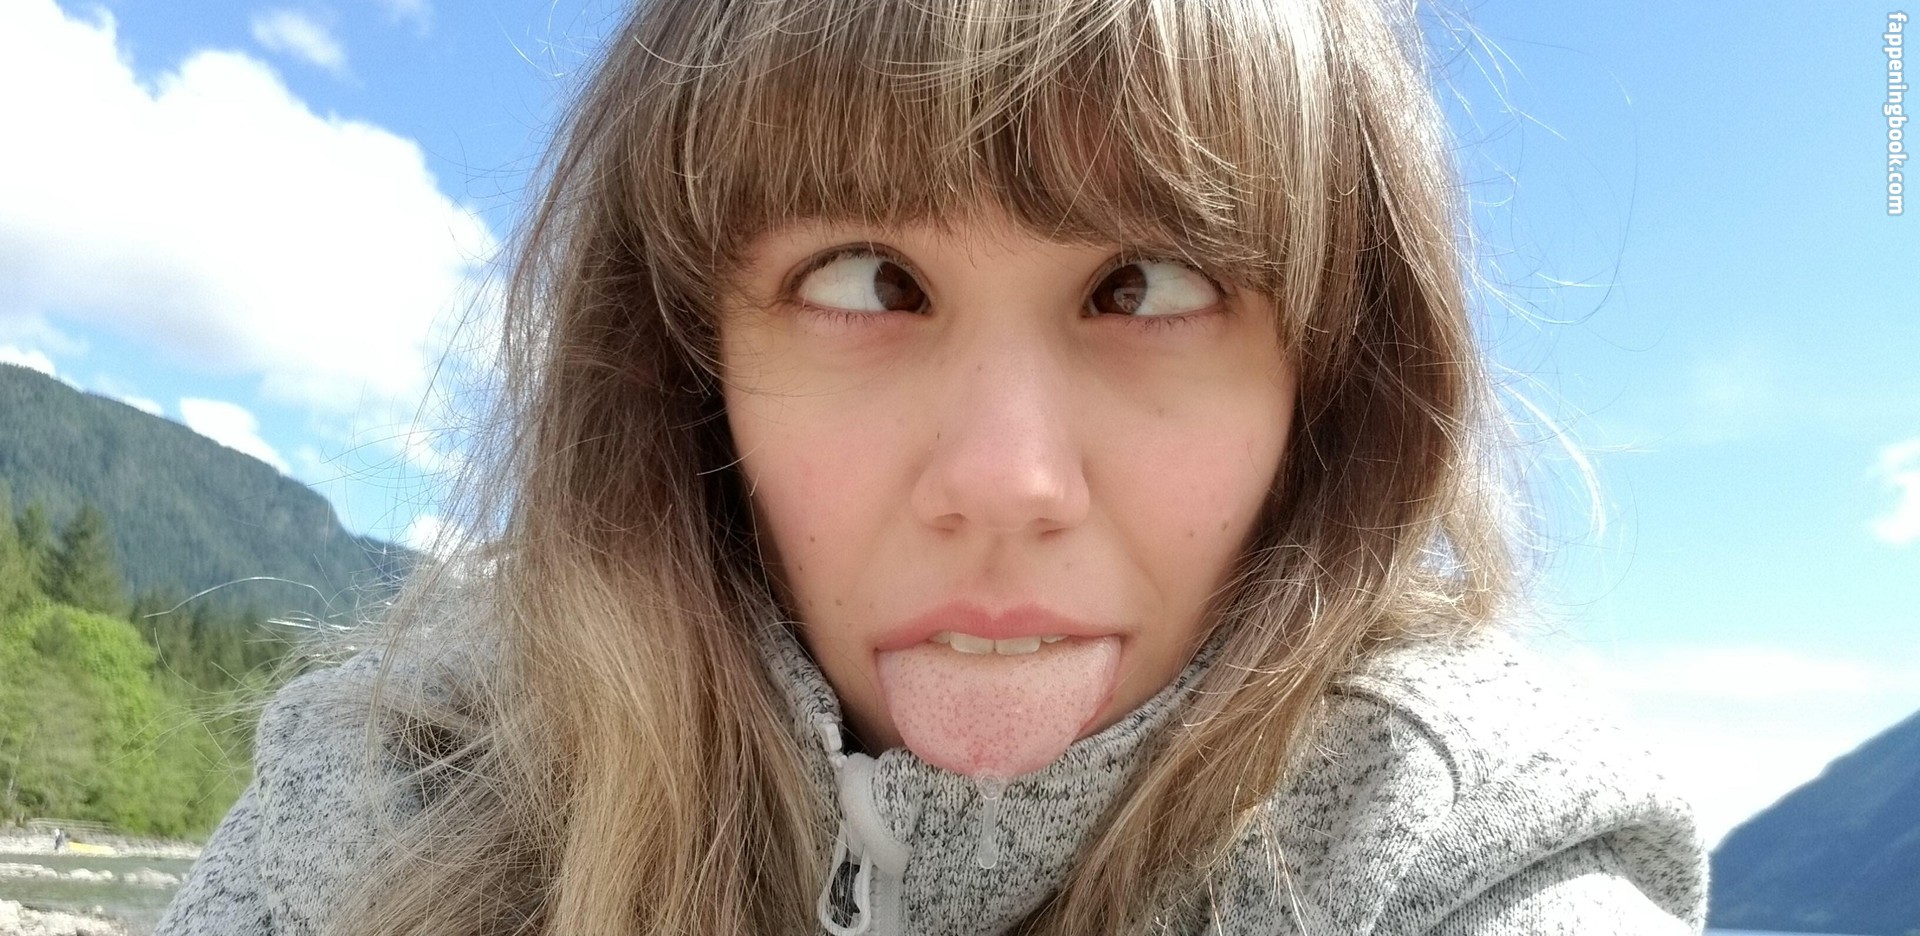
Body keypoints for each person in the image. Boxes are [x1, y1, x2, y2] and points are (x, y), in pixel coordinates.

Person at [154, 0, 1708, 933]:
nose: (1005, 479)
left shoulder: (1448, 844)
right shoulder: (409, 796)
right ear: (687, 363)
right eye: (867, 282)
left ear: (1331, 385)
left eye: (1148, 286)